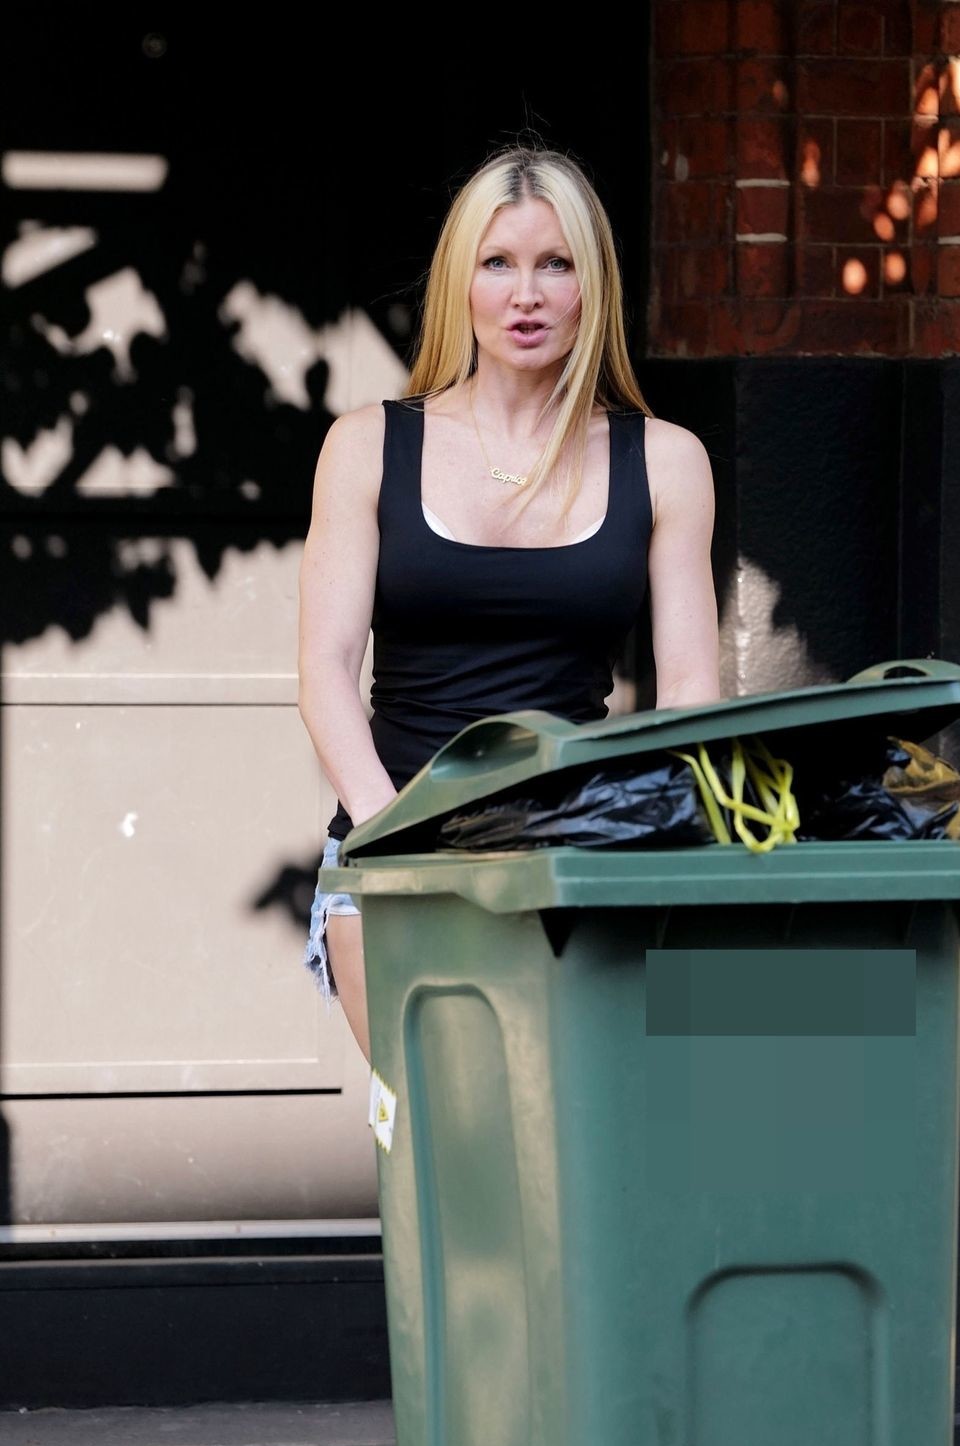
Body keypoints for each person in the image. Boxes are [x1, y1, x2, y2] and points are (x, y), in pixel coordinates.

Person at [297, 142, 721, 1064]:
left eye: (555, 264)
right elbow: (324, 671)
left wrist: (648, 854)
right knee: (441, 1130)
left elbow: (691, 690)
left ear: (591, 285)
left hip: (578, 861)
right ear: (461, 282)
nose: (525, 295)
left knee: (572, 1137)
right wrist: (391, 833)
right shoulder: (366, 446)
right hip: (393, 853)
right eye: (498, 263)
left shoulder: (666, 461)